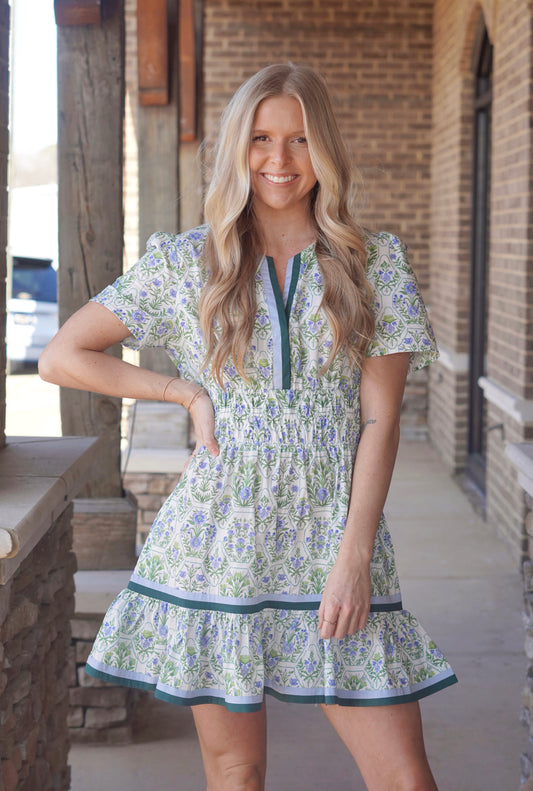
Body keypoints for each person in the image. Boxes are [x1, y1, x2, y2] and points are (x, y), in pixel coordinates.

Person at [40, 63, 457, 791]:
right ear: (238, 147)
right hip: (217, 540)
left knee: (402, 775)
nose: (278, 159)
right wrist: (182, 391)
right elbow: (63, 355)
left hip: (334, 534)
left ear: (324, 149)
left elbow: (380, 419)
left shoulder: (372, 262)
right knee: (236, 770)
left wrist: (353, 554)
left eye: (299, 140)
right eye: (261, 138)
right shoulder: (187, 261)